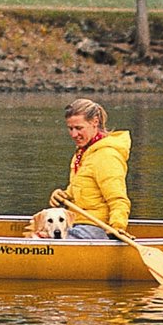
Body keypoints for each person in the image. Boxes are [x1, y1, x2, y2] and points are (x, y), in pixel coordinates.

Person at [50, 97, 131, 241]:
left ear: (95, 122)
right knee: (38, 231)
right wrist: (63, 195)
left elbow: (118, 199)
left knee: (44, 239)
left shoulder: (107, 156)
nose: (74, 134)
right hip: (76, 223)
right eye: (70, 128)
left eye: (79, 128)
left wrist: (117, 226)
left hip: (95, 228)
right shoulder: (83, 153)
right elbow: (83, 191)